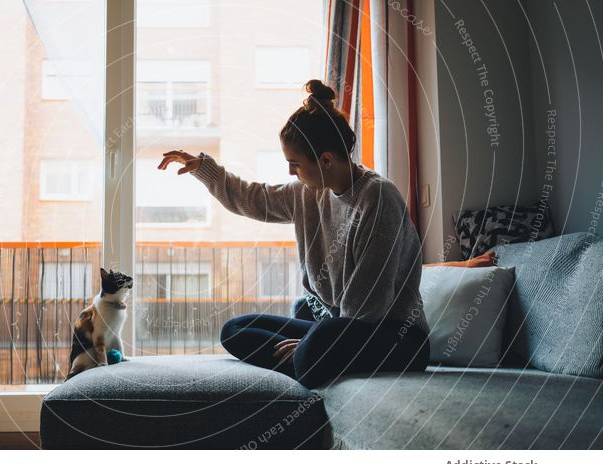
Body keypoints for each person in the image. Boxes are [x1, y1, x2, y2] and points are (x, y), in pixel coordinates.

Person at [157, 79, 430, 389]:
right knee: (235, 329)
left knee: (317, 344)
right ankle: (308, 361)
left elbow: (368, 306)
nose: (290, 173)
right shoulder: (307, 193)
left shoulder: (378, 199)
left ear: (326, 159)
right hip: (338, 329)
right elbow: (253, 199)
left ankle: (307, 359)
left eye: (295, 164)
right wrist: (205, 170)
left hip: (394, 336)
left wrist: (312, 340)